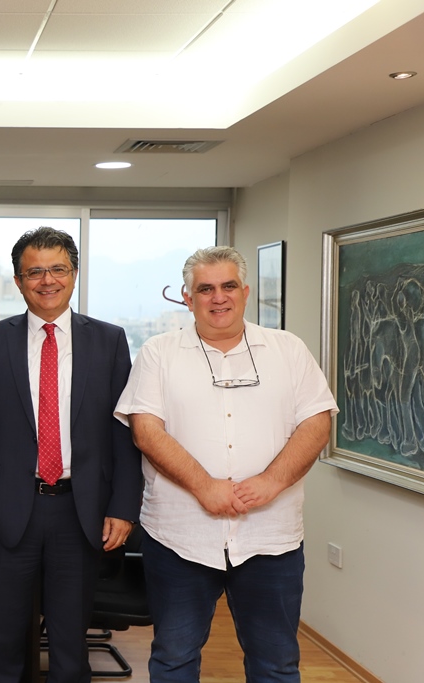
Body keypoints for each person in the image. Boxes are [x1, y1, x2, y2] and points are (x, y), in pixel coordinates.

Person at [114, 246, 338, 682]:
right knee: (174, 659)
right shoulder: (159, 352)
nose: (219, 298)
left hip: (269, 539)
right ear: (187, 298)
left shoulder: (288, 349)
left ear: (246, 292)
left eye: (228, 286)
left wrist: (271, 482)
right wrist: (205, 486)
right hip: (180, 538)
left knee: (276, 663)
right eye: (205, 289)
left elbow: (316, 423)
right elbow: (146, 430)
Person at [0, 227, 142, 683]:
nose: (47, 280)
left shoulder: (109, 341)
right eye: (34, 272)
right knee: (2, 641)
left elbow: (123, 434)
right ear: (18, 281)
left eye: (57, 269)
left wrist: (123, 508)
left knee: (69, 645)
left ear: (74, 274)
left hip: (80, 512)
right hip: (7, 511)